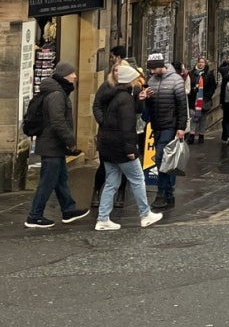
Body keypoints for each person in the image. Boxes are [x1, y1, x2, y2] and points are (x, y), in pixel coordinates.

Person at [94, 63, 162, 231]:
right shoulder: (125, 99)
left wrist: (140, 99)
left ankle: (103, 218)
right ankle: (145, 214)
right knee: (137, 179)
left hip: (107, 144)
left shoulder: (116, 95)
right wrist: (131, 149)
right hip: (120, 147)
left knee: (111, 182)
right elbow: (127, 127)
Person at [25, 61, 90, 230]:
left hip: (54, 145)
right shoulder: (56, 95)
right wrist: (70, 141)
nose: (75, 76)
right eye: (72, 73)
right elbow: (57, 122)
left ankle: (68, 210)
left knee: (61, 179)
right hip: (51, 145)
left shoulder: (57, 91)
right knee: (47, 182)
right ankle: (34, 216)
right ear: (64, 76)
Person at [141, 53, 188, 210]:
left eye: (153, 69)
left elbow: (182, 105)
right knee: (165, 161)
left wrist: (181, 128)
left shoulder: (176, 80)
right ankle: (169, 194)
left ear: (161, 66)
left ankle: (161, 194)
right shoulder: (151, 81)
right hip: (156, 125)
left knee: (161, 158)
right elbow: (149, 106)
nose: (151, 72)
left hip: (170, 125)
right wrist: (146, 97)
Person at [188, 57, 216, 143]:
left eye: (202, 62)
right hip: (193, 99)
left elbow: (212, 87)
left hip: (204, 99)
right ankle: (192, 135)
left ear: (205, 64)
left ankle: (201, 135)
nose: (200, 64)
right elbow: (188, 84)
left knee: (202, 118)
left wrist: (207, 95)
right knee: (193, 116)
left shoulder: (209, 74)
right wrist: (192, 90)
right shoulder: (191, 73)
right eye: (199, 62)